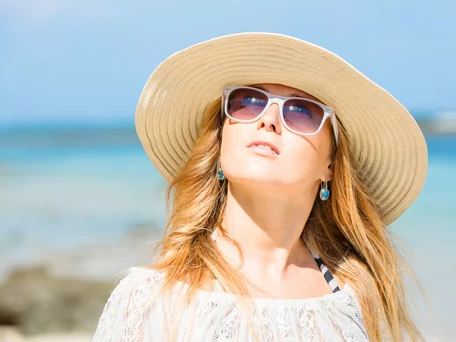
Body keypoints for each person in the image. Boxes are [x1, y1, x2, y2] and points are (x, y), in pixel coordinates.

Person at [92, 32, 428, 342]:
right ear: (221, 143)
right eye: (248, 101)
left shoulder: (352, 299)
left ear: (331, 165)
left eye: (300, 111)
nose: (267, 119)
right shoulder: (149, 299)